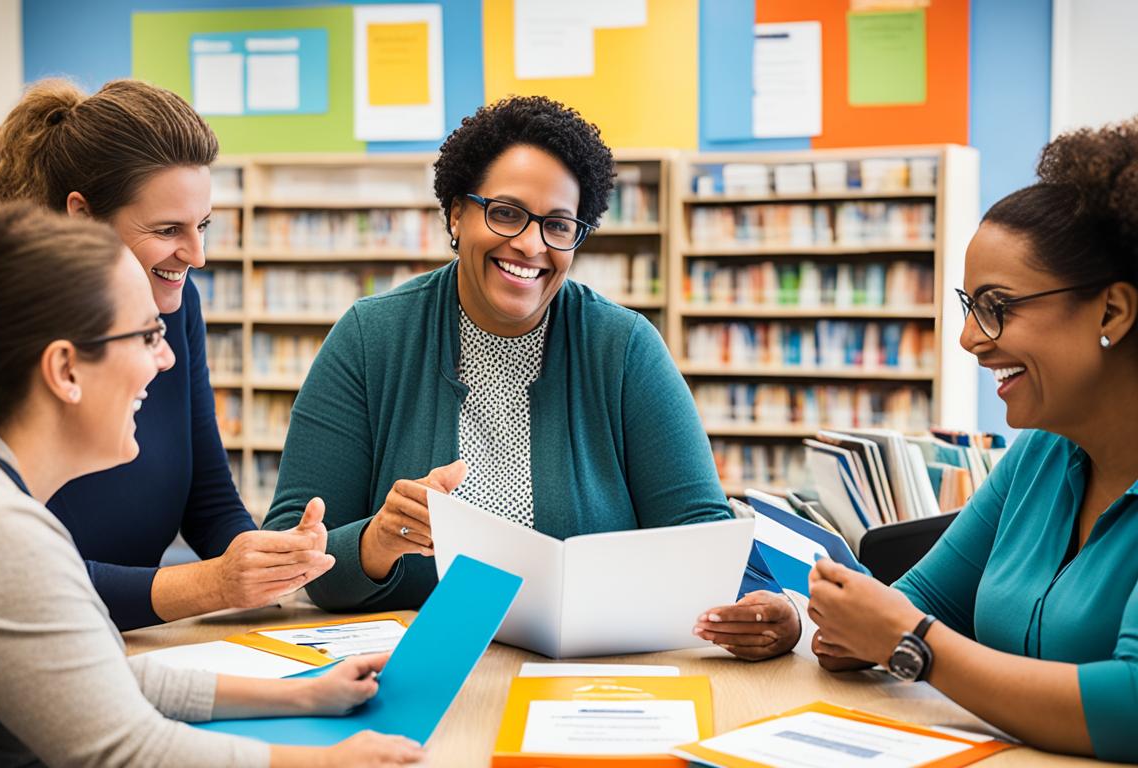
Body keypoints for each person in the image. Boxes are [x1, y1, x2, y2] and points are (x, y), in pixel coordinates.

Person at [263, 95, 801, 661]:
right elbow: (292, 549)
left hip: (593, 674)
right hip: (411, 666)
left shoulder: (624, 347)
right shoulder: (371, 339)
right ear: (456, 214)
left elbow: (702, 536)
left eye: (558, 225)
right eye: (506, 212)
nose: (530, 244)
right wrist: (376, 542)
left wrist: (762, 607)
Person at [0, 202, 424, 767]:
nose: (167, 359)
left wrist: (305, 692)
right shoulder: (6, 532)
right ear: (66, 370)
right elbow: (126, 750)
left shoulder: (11, 505)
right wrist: (326, 762)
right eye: (147, 336)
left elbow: (97, 680)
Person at [805, 121, 1138, 761]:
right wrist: (830, 621)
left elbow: (1130, 705)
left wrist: (912, 644)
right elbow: (922, 600)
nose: (970, 339)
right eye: (969, 305)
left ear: (1112, 313)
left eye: (998, 306)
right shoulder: (1041, 453)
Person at [0, 78, 332, 630]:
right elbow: (12, 573)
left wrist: (266, 564)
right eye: (169, 229)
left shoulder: (173, 305)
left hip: (139, 647)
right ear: (82, 215)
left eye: (204, 226)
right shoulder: (4, 332)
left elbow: (209, 497)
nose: (197, 255)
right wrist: (210, 584)